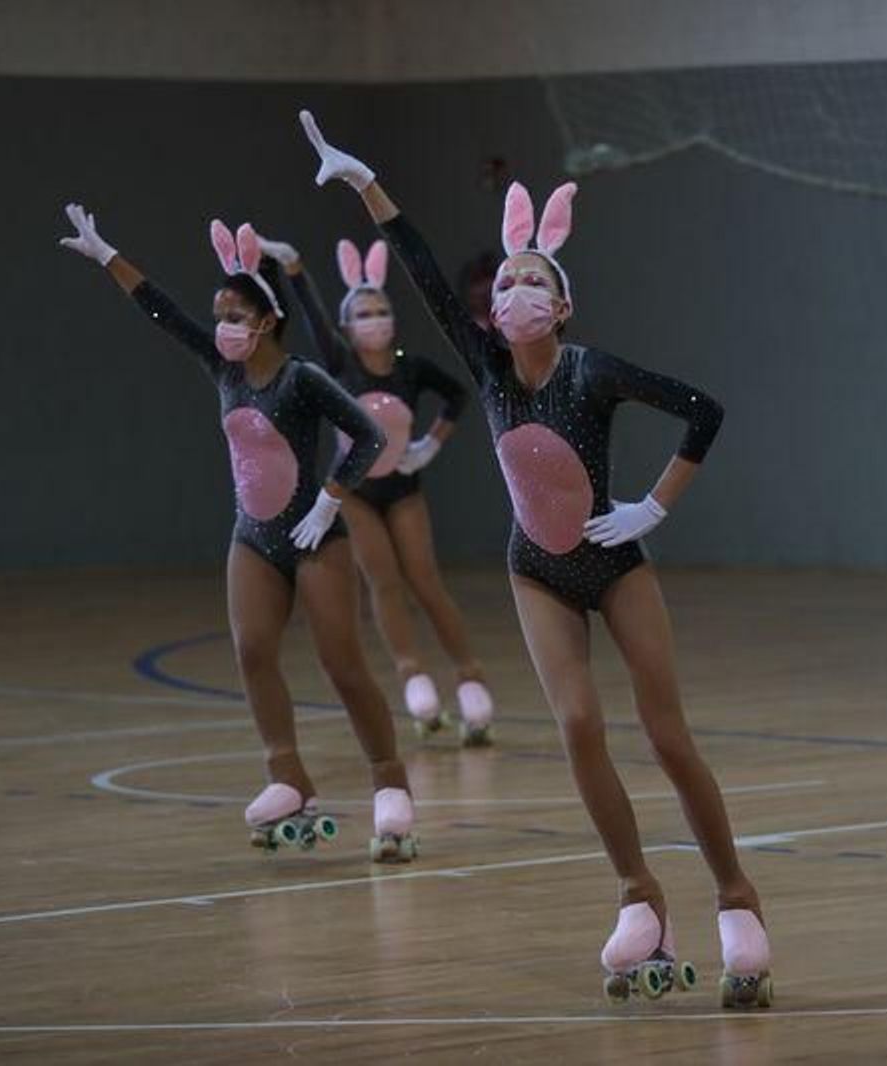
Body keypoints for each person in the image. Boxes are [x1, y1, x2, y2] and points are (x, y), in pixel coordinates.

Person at [299, 109, 774, 1005]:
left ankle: (738, 898)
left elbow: (703, 410)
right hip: (538, 569)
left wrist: (651, 509)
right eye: (504, 282)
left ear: (561, 305)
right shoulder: (482, 365)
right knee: (579, 727)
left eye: (531, 280)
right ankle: (641, 897)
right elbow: (425, 272)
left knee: (669, 738)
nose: (511, 293)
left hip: (614, 562)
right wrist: (369, 185)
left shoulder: (591, 371)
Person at [58, 205, 419, 862]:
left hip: (314, 538)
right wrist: (108, 255)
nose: (223, 326)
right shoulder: (223, 369)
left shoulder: (300, 378)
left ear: (269, 319)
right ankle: (288, 778)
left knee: (342, 663)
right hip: (252, 536)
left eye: (235, 316)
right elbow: (162, 311)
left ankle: (390, 782)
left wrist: (331, 501)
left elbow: (366, 437)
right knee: (253, 651)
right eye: (219, 315)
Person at [253, 230, 498, 745]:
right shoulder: (340, 364)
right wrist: (294, 267)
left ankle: (471, 676)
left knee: (426, 581)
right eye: (362, 314)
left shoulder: (412, 368)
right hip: (358, 494)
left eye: (380, 310)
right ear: (348, 325)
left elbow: (457, 396)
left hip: (404, 489)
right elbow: (314, 316)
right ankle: (413, 674)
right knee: (384, 583)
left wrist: (431, 444)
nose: (374, 321)